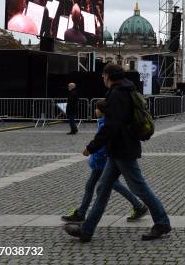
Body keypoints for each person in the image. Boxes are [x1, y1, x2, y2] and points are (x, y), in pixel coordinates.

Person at [63, 64, 171, 242]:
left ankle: (162, 222)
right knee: (103, 188)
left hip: (123, 149)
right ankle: (87, 230)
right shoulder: (126, 89)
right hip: (119, 149)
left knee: (140, 188)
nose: (102, 79)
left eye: (103, 76)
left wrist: (92, 147)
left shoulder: (117, 93)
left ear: (108, 76)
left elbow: (111, 125)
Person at [62, 100, 147, 223]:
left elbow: (103, 145)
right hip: (102, 161)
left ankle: (138, 206)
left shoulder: (105, 124)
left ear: (103, 111)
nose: (95, 111)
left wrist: (93, 155)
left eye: (97, 109)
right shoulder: (103, 122)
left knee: (104, 186)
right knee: (97, 185)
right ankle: (81, 212)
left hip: (101, 162)